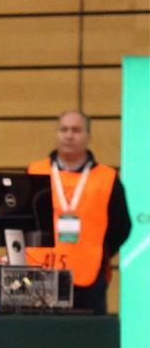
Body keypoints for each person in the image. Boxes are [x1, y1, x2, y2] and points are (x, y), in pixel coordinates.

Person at [27, 110, 131, 314]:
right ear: (57, 134)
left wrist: (100, 252)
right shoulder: (35, 171)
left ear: (88, 136)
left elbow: (122, 226)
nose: (69, 135)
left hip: (89, 277)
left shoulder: (107, 178)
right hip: (40, 275)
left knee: (87, 340)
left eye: (76, 130)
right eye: (64, 129)